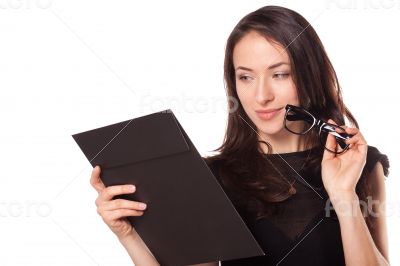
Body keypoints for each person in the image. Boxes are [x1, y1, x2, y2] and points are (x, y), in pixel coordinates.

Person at [90, 5, 390, 266]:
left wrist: (343, 195)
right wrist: (128, 236)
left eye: (280, 74)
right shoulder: (211, 177)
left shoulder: (360, 164)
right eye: (245, 77)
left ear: (309, 74)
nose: (261, 96)